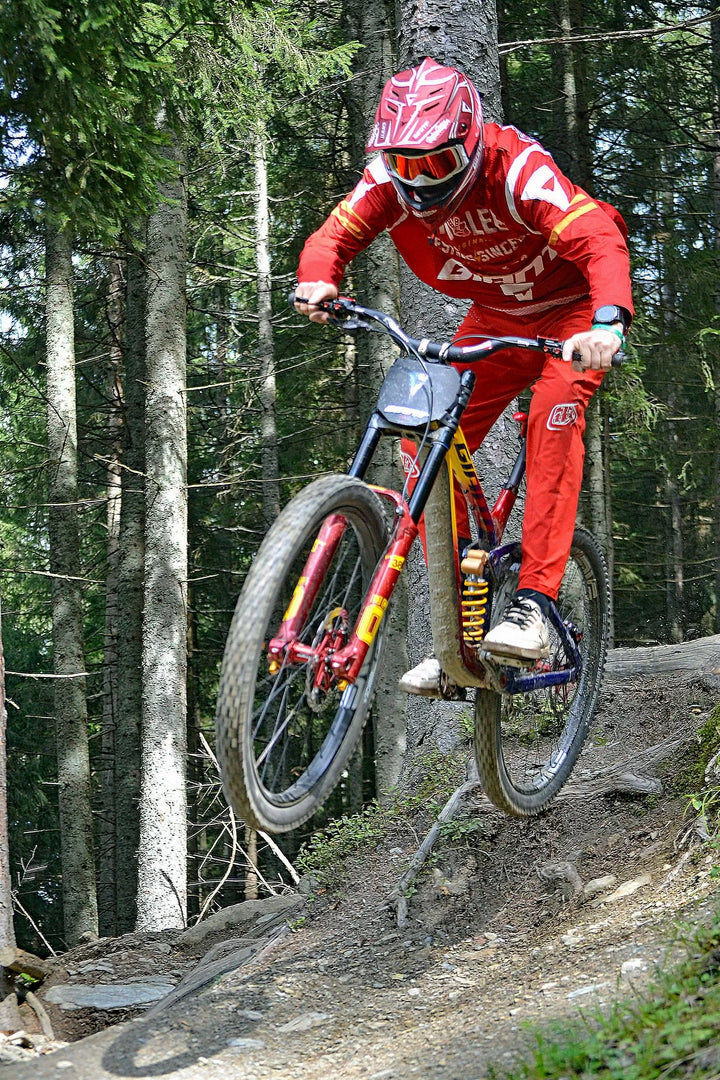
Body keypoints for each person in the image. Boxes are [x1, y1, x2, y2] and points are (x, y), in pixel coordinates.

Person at [294, 57, 633, 696]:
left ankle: (536, 607)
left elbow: (596, 238)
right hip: (497, 317)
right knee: (423, 440)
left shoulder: (517, 168)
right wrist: (318, 280)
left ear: (471, 144)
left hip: (573, 314)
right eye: (408, 167)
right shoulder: (387, 179)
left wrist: (608, 322)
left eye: (439, 164)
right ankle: (459, 636)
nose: (422, 182)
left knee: (553, 415)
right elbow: (332, 236)